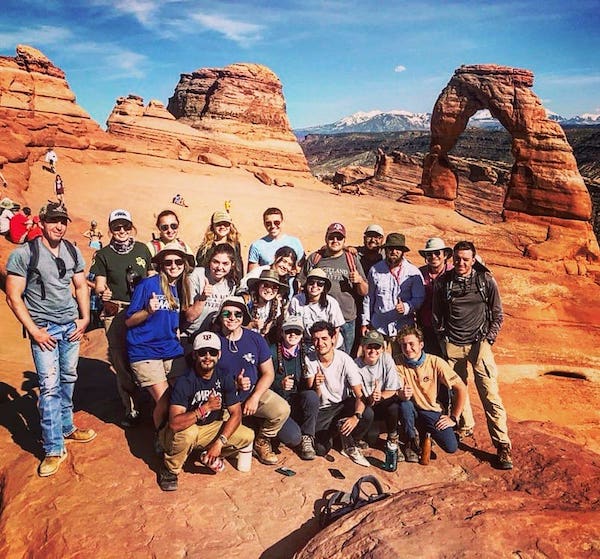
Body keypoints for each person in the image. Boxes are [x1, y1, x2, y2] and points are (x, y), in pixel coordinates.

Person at [5, 201, 95, 477]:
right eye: (54, 220)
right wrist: (34, 330)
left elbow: (80, 286)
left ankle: (66, 426)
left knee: (68, 378)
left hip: (70, 326)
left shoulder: (71, 250)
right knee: (49, 387)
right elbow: (13, 296)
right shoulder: (24, 254)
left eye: (63, 221)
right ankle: (54, 448)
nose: (59, 225)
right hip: (44, 329)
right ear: (41, 223)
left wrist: (85, 318)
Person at [432, 240, 513, 470]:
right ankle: (465, 427)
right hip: (453, 346)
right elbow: (437, 315)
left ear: (473, 259)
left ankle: (503, 445)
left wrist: (488, 341)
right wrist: (442, 339)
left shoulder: (485, 280)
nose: (461, 263)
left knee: (489, 394)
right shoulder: (443, 283)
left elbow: (497, 314)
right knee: (459, 389)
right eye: (457, 259)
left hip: (479, 344)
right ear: (452, 258)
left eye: (466, 259)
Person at [158, 332, 255, 491]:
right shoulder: (185, 381)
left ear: (219, 354)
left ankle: (207, 452)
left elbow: (236, 413)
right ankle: (170, 469)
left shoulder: (223, 377)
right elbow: (175, 423)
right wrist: (205, 409)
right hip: (183, 430)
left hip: (209, 428)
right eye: (202, 352)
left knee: (247, 435)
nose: (208, 357)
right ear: (195, 355)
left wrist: (219, 443)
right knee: (187, 434)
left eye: (213, 352)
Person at [90, 209, 152, 427]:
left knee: (146, 353)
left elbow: (152, 275)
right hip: (116, 309)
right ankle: (131, 408)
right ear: (110, 230)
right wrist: (102, 292)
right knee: (120, 357)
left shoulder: (144, 250)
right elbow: (99, 283)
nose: (122, 231)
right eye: (117, 227)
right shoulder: (104, 255)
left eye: (125, 226)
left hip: (143, 308)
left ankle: (153, 401)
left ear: (132, 227)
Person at [125, 242, 194, 433]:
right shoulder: (148, 285)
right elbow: (129, 321)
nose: (174, 266)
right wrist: (147, 311)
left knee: (183, 393)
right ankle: (161, 438)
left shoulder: (179, 288)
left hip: (170, 349)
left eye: (178, 261)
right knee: (164, 399)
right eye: (168, 262)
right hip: (145, 350)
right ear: (161, 265)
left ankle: (178, 436)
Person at [215, 296, 290, 465]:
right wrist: (233, 385)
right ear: (220, 316)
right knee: (224, 438)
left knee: (281, 409)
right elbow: (204, 377)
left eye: (238, 314)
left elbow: (268, 373)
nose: (232, 317)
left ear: (244, 317)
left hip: (251, 394)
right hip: (224, 400)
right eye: (227, 313)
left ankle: (262, 441)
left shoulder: (255, 339)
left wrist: (255, 396)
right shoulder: (213, 340)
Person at [393, 326, 467, 462]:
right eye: (404, 345)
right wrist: (402, 393)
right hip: (412, 408)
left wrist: (454, 418)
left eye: (411, 344)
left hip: (430, 409)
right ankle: (411, 442)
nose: (408, 349)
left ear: (421, 345)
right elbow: (397, 387)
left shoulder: (435, 362)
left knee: (451, 447)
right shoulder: (397, 362)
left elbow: (461, 388)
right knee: (405, 405)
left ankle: (425, 433)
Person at [304, 321, 373, 467]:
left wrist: (356, 416)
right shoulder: (309, 359)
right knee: (320, 449)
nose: (320, 343)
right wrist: (317, 385)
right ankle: (338, 435)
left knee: (366, 413)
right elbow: (313, 399)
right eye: (315, 339)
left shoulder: (344, 359)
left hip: (341, 405)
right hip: (322, 410)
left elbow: (359, 394)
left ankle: (349, 441)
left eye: (324, 339)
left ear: (333, 339)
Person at [304, 222, 368, 354]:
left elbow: (364, 291)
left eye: (339, 238)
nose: (335, 241)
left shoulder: (352, 260)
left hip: (346, 319)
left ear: (344, 240)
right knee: (319, 355)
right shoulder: (315, 258)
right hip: (320, 317)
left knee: (344, 357)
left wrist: (359, 280)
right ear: (326, 238)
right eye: (332, 237)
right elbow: (302, 283)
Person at [269, 316, 320, 460]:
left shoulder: (306, 355)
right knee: (293, 438)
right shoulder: (271, 352)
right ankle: (269, 434)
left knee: (311, 396)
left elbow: (306, 387)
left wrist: (316, 383)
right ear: (282, 333)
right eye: (289, 331)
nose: (292, 335)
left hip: (295, 403)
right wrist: (280, 386)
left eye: (297, 332)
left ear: (302, 335)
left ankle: (308, 437)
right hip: (277, 406)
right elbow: (262, 385)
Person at [362, 232, 425, 342]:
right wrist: (365, 322)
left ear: (403, 251)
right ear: (385, 250)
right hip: (379, 328)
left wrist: (406, 307)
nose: (394, 252)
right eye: (391, 248)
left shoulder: (413, 272)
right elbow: (369, 298)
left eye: (398, 249)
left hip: (403, 330)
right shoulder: (375, 270)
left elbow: (419, 298)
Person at [182, 243, 239, 344]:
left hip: (215, 336)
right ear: (210, 261)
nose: (219, 267)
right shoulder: (196, 276)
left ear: (232, 264)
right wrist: (203, 298)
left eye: (225, 263)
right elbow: (189, 317)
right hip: (190, 335)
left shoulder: (231, 284)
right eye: (216, 262)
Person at [354, 330, 401, 448]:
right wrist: (371, 398)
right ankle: (358, 438)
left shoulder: (386, 359)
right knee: (371, 438)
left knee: (394, 406)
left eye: (377, 347)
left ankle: (392, 437)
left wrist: (380, 396)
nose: (373, 351)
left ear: (382, 349)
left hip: (382, 402)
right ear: (363, 347)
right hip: (365, 405)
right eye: (369, 346)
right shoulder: (355, 365)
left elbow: (392, 389)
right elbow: (358, 395)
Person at [288, 268, 345, 349]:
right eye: (311, 283)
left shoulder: (332, 303)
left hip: (330, 344)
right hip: (307, 344)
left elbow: (336, 329)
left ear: (324, 287)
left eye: (320, 284)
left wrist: (332, 350)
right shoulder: (296, 300)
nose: (315, 286)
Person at [417, 238, 453, 356]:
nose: (433, 256)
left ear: (445, 255)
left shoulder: (453, 273)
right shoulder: (419, 273)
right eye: (429, 254)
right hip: (426, 326)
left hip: (449, 328)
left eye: (437, 253)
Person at [247, 207, 304, 272]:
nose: (273, 226)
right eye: (268, 223)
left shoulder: (295, 242)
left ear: (282, 222)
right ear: (264, 224)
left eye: (276, 222)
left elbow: (302, 271)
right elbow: (252, 274)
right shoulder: (257, 246)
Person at [196, 210, 244, 279]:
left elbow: (239, 267)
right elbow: (200, 268)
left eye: (226, 224)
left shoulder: (235, 244)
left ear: (230, 226)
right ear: (213, 226)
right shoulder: (206, 247)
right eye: (218, 224)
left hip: (230, 284)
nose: (222, 227)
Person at [246, 269, 287, 342]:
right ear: (258, 286)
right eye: (266, 285)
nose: (269, 290)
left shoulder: (275, 305)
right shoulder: (247, 302)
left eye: (274, 287)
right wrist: (251, 325)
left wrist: (267, 328)